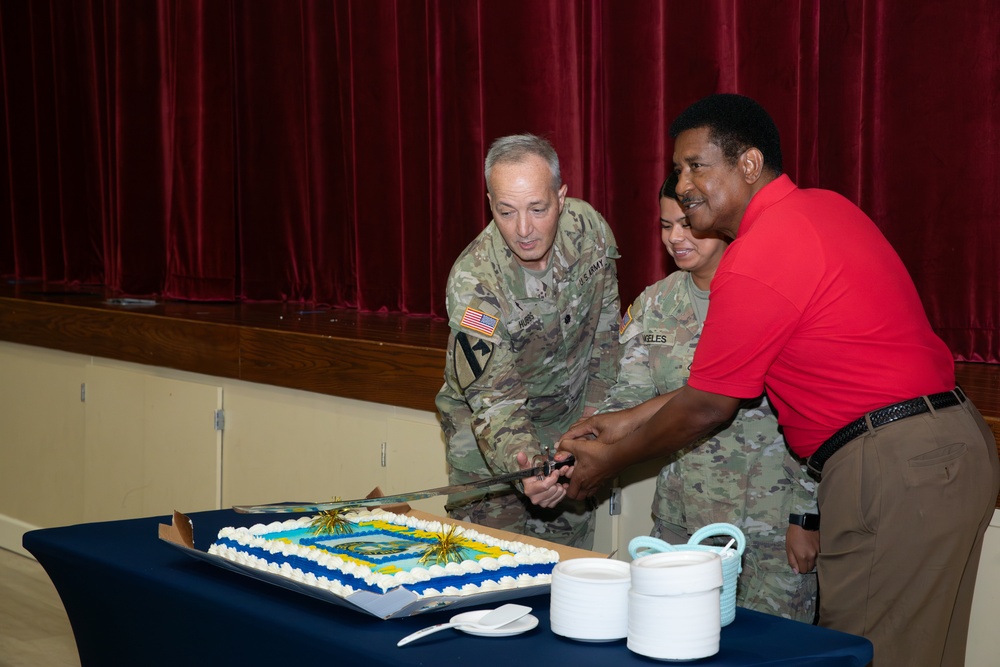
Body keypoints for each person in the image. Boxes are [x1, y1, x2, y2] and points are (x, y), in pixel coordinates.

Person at [559, 94, 999, 665]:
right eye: (677, 169)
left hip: (891, 468)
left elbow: (708, 406)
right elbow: (726, 382)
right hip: (949, 449)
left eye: (697, 165)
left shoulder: (757, 255)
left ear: (748, 164)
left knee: (867, 653)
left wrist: (610, 462)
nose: (683, 183)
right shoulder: (824, 209)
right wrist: (619, 423)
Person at [596, 171, 818, 622]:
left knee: (772, 652)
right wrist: (574, 451)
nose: (676, 238)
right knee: (673, 637)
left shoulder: (767, 295)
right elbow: (627, 403)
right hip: (682, 521)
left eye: (686, 223)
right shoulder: (655, 304)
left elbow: (815, 418)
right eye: (664, 225)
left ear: (717, 221)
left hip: (768, 527)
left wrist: (806, 516)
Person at [435, 133, 621, 549]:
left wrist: (589, 432)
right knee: (491, 577)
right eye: (506, 211)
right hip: (491, 456)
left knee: (566, 574)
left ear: (561, 197)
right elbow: (494, 400)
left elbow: (605, 342)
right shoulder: (475, 282)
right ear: (489, 203)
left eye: (538, 209)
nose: (523, 230)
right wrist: (528, 468)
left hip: (570, 434)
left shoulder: (589, 231)